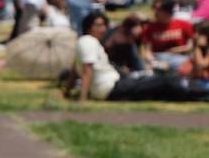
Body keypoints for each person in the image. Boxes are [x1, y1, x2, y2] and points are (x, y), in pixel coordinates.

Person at [77, 11, 209, 102]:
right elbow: (86, 70)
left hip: (117, 83)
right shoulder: (88, 41)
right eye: (98, 26)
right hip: (111, 88)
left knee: (160, 85)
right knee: (165, 82)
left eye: (104, 25)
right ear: (88, 27)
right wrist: (82, 99)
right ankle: (203, 94)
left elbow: (75, 69)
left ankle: (198, 93)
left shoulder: (84, 42)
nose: (103, 29)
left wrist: (67, 89)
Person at [141, 0, 195, 71]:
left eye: (159, 9)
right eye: (155, 9)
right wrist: (150, 59)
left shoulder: (184, 25)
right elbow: (147, 50)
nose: (156, 12)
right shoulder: (149, 28)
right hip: (158, 59)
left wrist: (176, 50)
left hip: (180, 58)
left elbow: (193, 45)